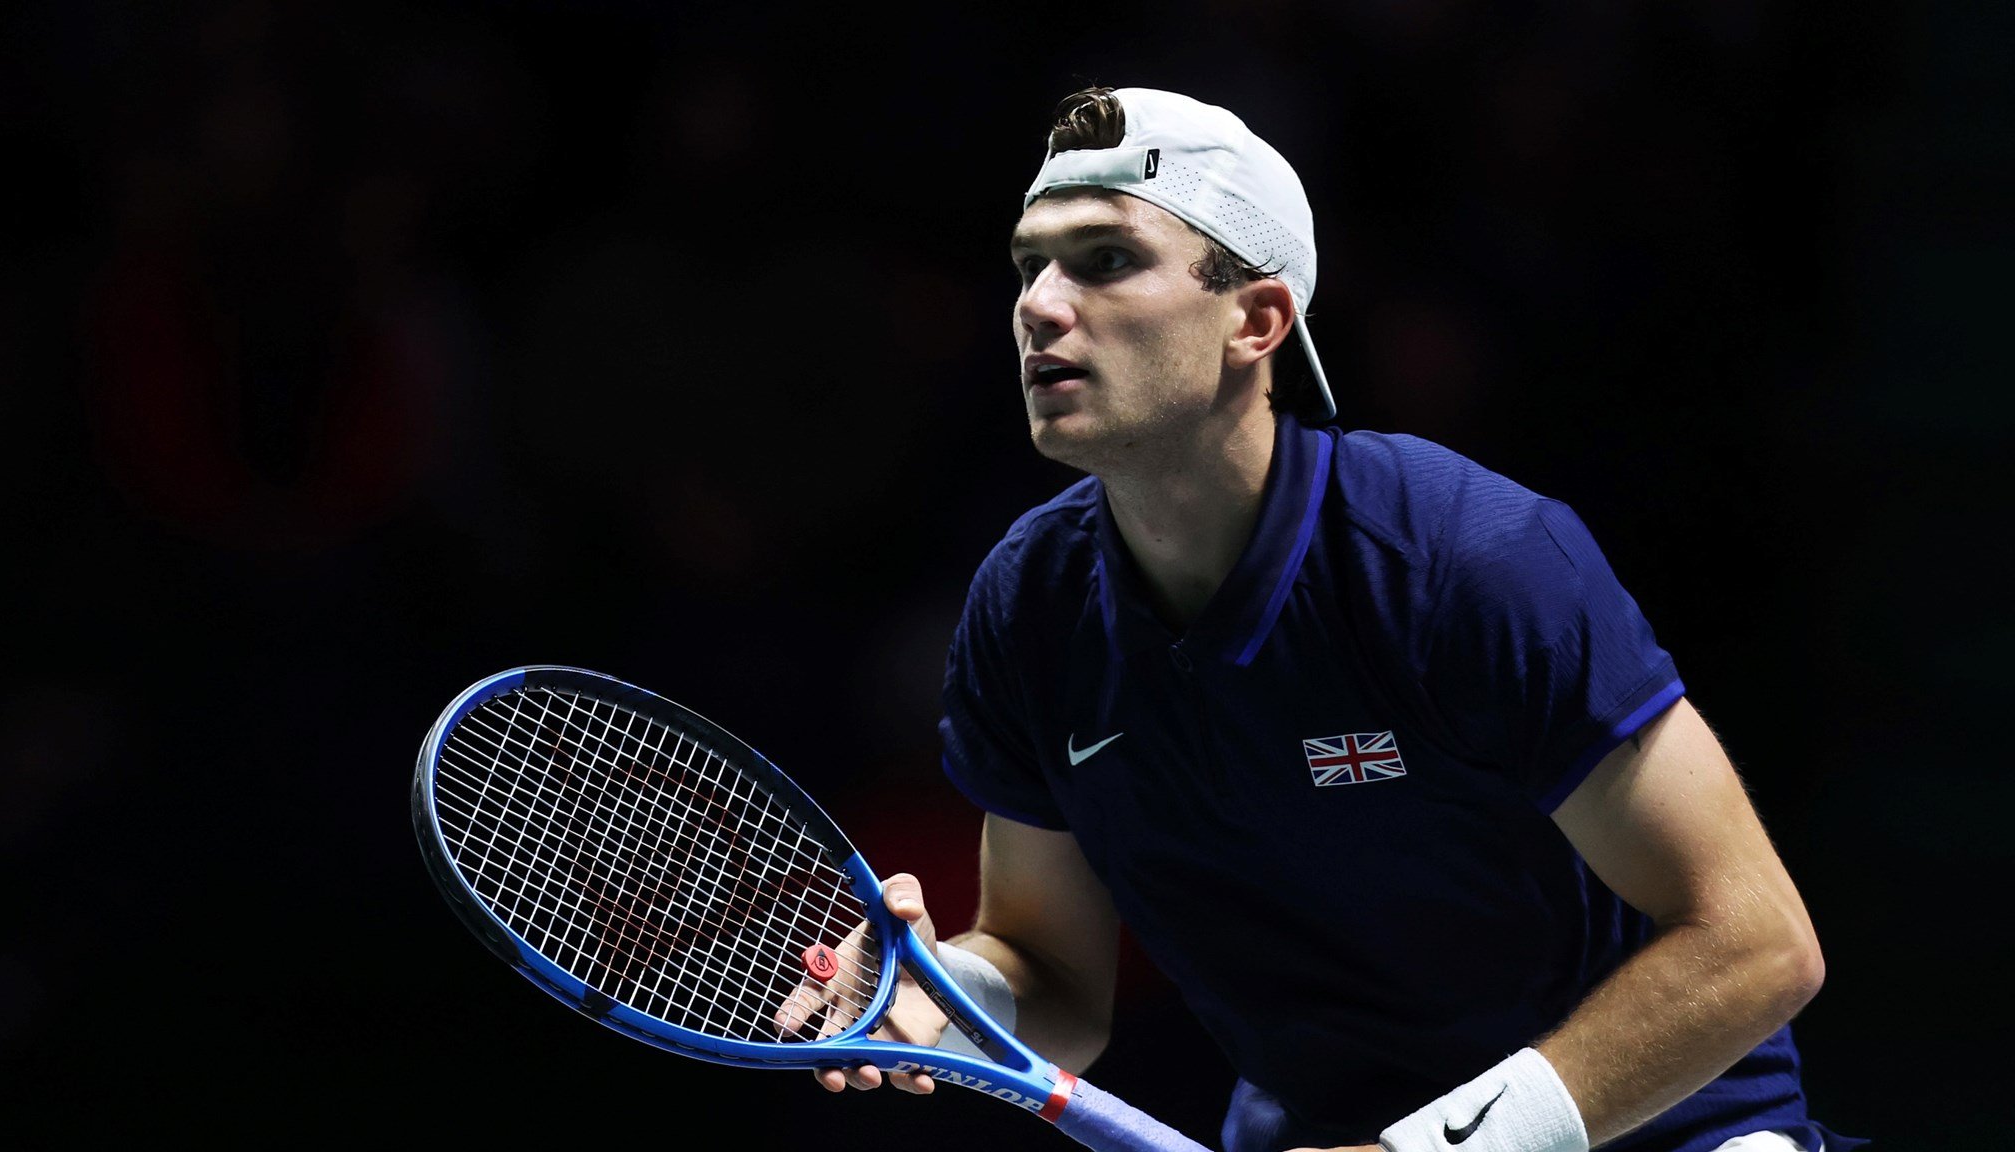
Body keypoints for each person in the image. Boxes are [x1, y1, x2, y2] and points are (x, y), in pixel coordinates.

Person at [790, 85, 1865, 1152]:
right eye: (1030, 265)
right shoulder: (1028, 607)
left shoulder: (1463, 559)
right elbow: (1056, 981)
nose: (1039, 304)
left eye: (1104, 259)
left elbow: (1756, 943)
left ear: (1256, 321)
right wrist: (946, 992)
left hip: (1668, 1130)